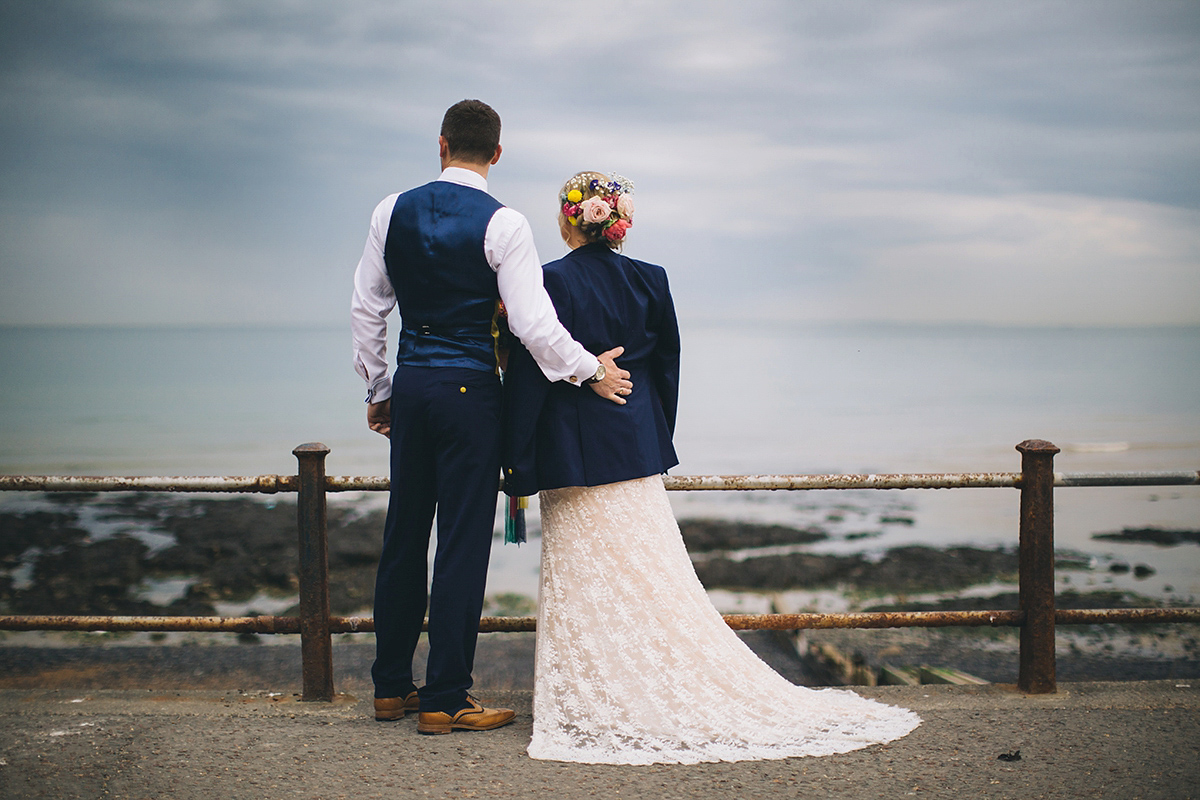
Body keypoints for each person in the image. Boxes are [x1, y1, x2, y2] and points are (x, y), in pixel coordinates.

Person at [502, 172, 921, 764]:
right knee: (646, 580)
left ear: (570, 220)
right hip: (638, 451)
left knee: (586, 582)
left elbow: (529, 375)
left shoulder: (550, 281)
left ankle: (600, 699)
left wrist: (515, 461)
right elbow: (667, 367)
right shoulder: (652, 280)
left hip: (573, 459)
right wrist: (655, 435)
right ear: (619, 223)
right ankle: (632, 695)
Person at [350, 102, 632, 736]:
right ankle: (446, 698)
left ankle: (390, 689)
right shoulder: (504, 223)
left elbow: (367, 309)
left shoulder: (388, 211)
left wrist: (379, 387)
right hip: (472, 393)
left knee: (403, 537)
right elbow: (533, 327)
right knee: (461, 543)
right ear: (497, 154)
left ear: (442, 144)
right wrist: (591, 369)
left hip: (415, 386)